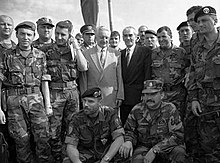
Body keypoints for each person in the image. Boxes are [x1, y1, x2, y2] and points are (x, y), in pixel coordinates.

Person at [0, 21, 53, 163]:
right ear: (16, 35)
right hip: (14, 102)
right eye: (22, 34)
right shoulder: (7, 55)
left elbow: (44, 80)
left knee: (43, 138)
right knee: (21, 140)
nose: (25, 37)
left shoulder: (40, 55)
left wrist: (48, 105)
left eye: (29, 34)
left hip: (36, 100)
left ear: (33, 36)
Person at [45, 20, 88, 162]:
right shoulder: (48, 50)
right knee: (54, 130)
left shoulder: (74, 50)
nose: (59, 37)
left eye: (63, 34)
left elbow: (83, 67)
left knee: (72, 127)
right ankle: (57, 157)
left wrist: (76, 47)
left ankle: (68, 157)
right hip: (55, 93)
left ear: (69, 34)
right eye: (57, 33)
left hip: (72, 93)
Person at [119, 80, 186, 163]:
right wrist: (129, 141)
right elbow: (129, 131)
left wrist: (156, 149)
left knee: (179, 153)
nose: (149, 98)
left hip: (166, 147)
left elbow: (178, 135)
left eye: (153, 94)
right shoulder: (137, 110)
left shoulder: (170, 109)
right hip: (144, 147)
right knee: (137, 160)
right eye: (146, 94)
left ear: (162, 95)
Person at [187, 6, 220, 162]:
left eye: (205, 20)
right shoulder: (196, 49)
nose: (200, 24)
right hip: (205, 106)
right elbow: (192, 74)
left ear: (215, 21)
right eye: (198, 21)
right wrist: (193, 99)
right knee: (209, 149)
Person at [64, 87, 124, 163]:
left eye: (90, 101)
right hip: (86, 154)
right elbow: (71, 146)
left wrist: (106, 159)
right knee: (68, 161)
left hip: (106, 152)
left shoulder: (110, 113)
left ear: (99, 103)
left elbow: (119, 138)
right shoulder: (77, 118)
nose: (85, 104)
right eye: (84, 101)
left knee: (124, 153)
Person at [79, 26, 124, 108]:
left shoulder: (116, 54)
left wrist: (120, 95)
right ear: (96, 37)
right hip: (92, 96)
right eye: (101, 37)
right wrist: (84, 96)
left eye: (106, 38)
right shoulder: (86, 53)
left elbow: (119, 76)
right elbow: (84, 78)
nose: (104, 40)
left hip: (110, 96)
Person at [151, 26, 188, 121]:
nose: (161, 39)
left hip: (177, 96)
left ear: (171, 37)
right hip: (159, 95)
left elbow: (188, 72)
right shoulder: (153, 54)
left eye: (163, 36)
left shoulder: (180, 52)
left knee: (178, 123)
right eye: (158, 37)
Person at [120, 26, 152, 126]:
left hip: (139, 96)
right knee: (126, 124)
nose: (128, 38)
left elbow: (147, 74)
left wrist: (146, 94)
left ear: (136, 37)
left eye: (130, 35)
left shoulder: (145, 51)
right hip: (124, 97)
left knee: (141, 125)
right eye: (125, 36)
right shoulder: (120, 54)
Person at [0, 14, 16, 163]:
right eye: (2, 24)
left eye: (9, 25)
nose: (6, 27)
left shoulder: (17, 48)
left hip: (16, 100)